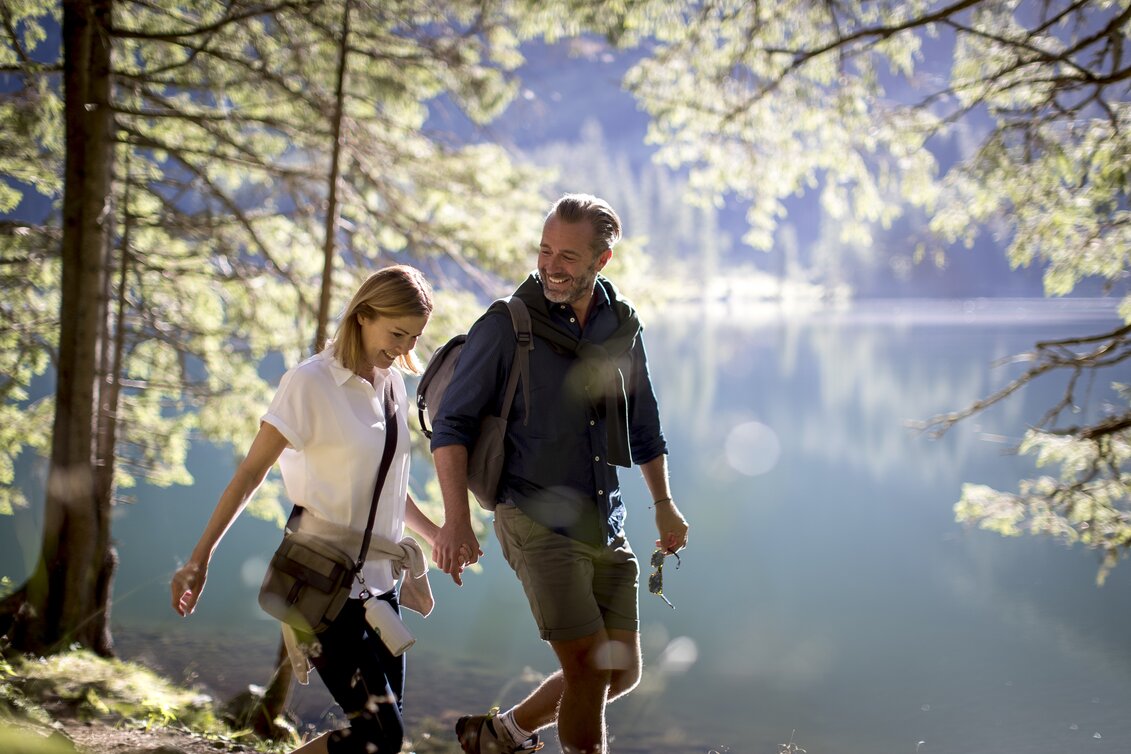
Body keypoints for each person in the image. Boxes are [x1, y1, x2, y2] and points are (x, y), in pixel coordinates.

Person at [430, 193, 690, 754]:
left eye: (568, 256)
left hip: (605, 518)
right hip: (533, 515)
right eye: (545, 250)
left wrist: (664, 503)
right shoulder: (506, 324)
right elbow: (451, 426)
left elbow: (644, 424)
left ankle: (500, 734)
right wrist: (455, 521)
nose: (551, 265)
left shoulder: (620, 325)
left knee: (620, 672)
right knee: (588, 669)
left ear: (602, 260)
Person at [172, 265, 455, 754]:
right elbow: (250, 473)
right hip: (320, 582)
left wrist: (435, 535)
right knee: (380, 736)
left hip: (380, 586)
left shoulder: (391, 383)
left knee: (378, 742)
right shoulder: (309, 382)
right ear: (363, 315)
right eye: (397, 334)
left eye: (414, 337)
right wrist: (200, 557)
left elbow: (384, 485)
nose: (404, 348)